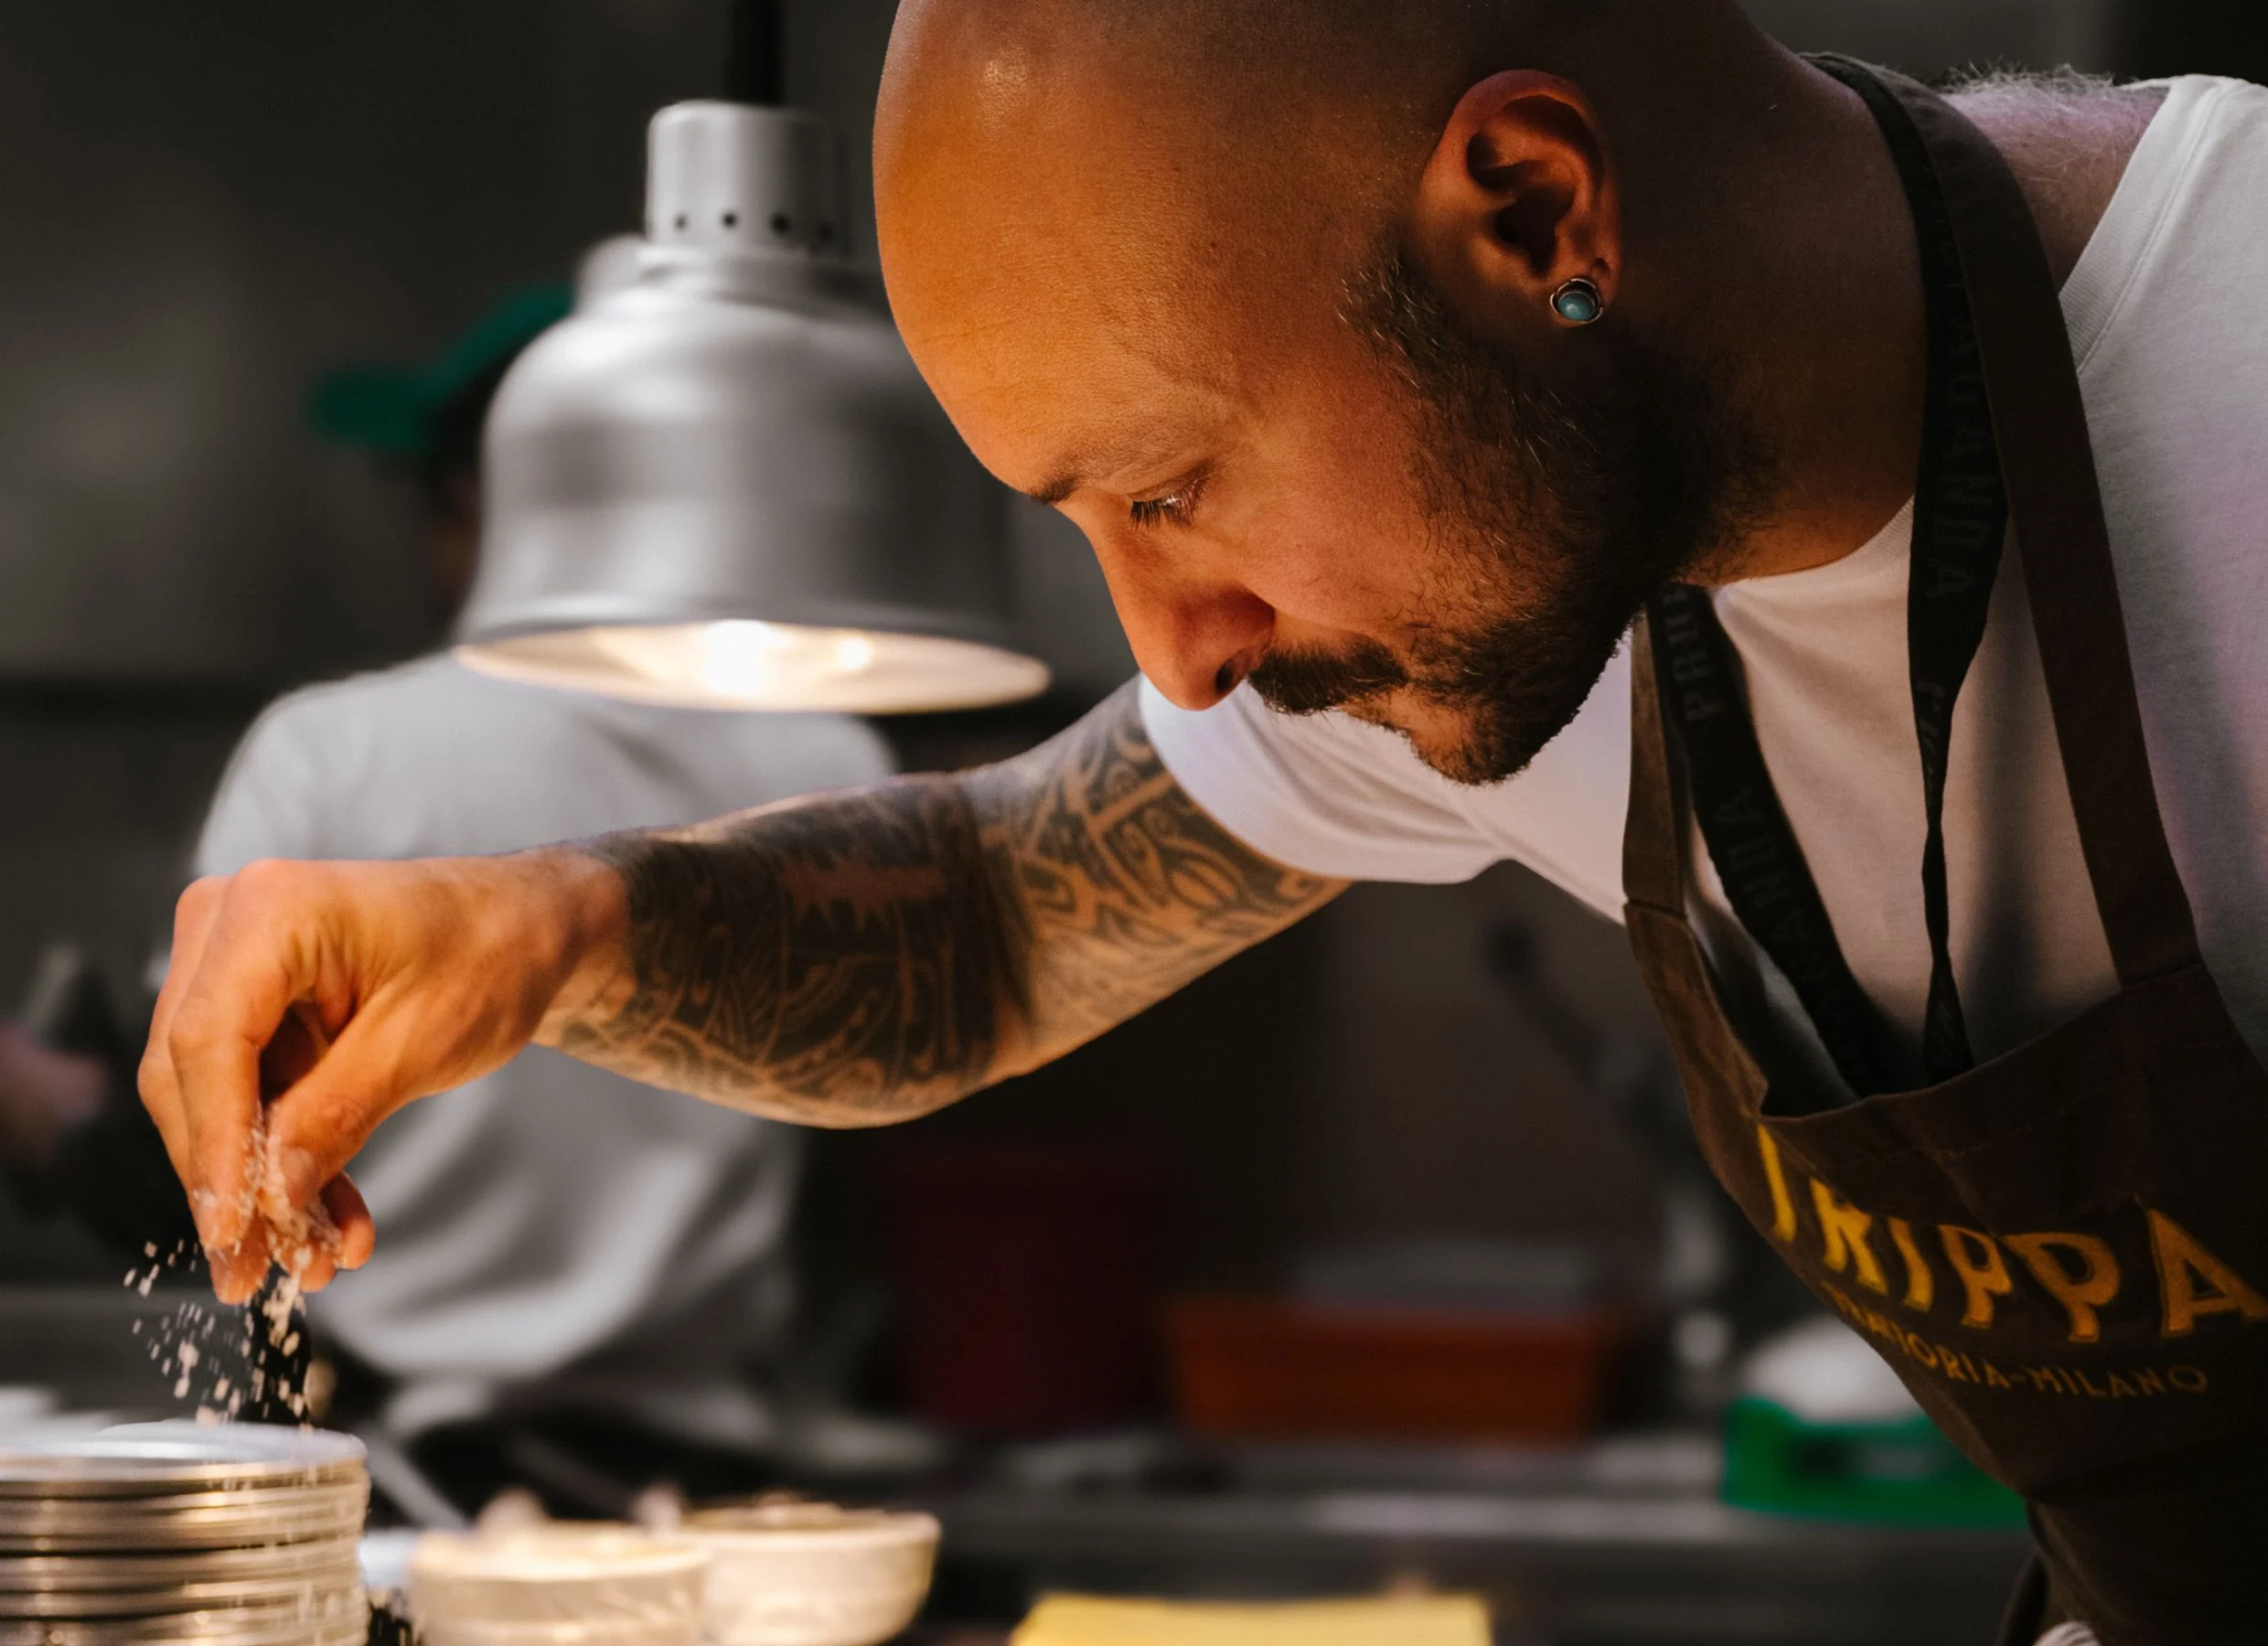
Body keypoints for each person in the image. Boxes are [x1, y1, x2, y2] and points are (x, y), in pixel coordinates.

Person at [138, 1, 2268, 1636]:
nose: (1170, 649)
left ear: (1537, 214)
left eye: (1170, 487)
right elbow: (987, 922)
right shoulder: (1549, 530)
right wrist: (542, 933)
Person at [192, 260, 896, 1510]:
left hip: (409, 1494)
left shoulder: (326, 753)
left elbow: (207, 1143)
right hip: (724, 1500)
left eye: (428, 503)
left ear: (486, 502)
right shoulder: (833, 756)